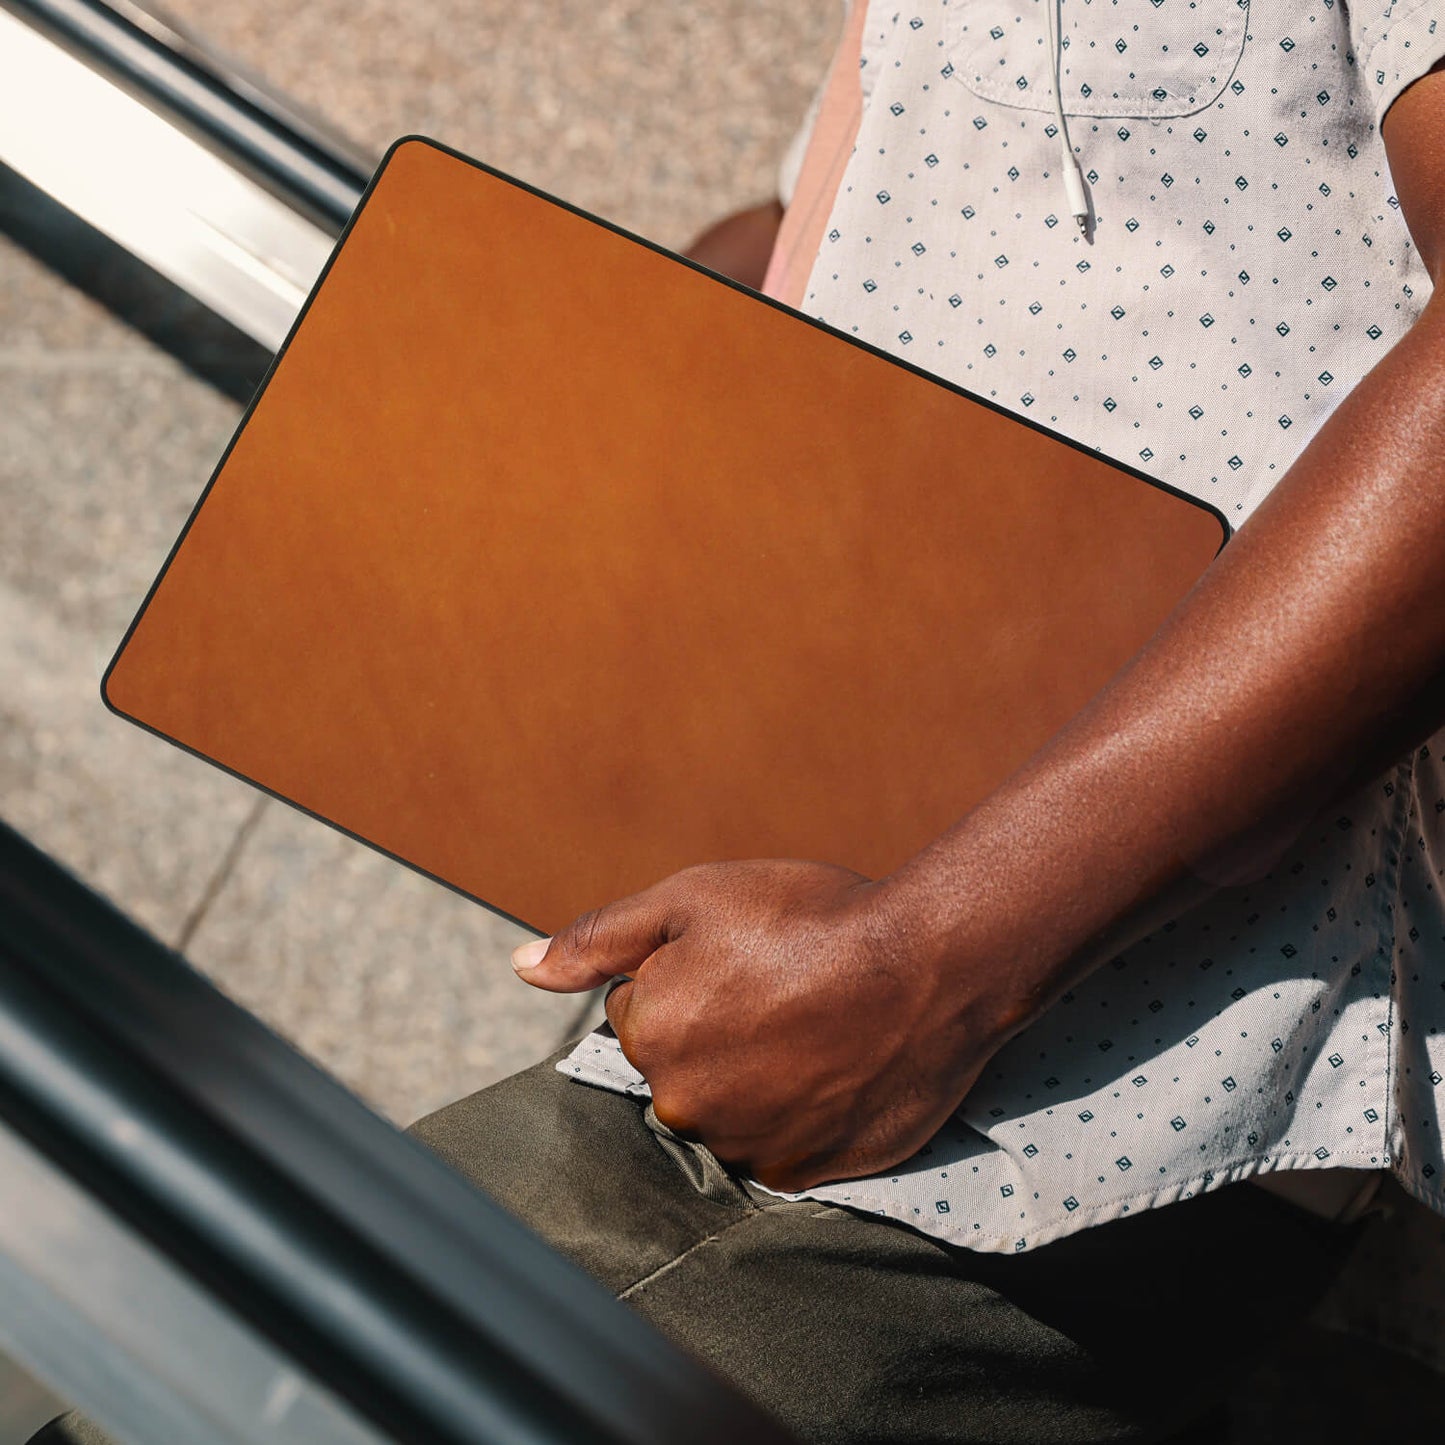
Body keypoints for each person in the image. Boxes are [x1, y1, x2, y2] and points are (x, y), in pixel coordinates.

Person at [37, 3, 1445, 1442]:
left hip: (1071, 1090)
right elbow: (824, 249)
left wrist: (929, 964)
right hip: (803, 1030)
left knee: (243, 1386)